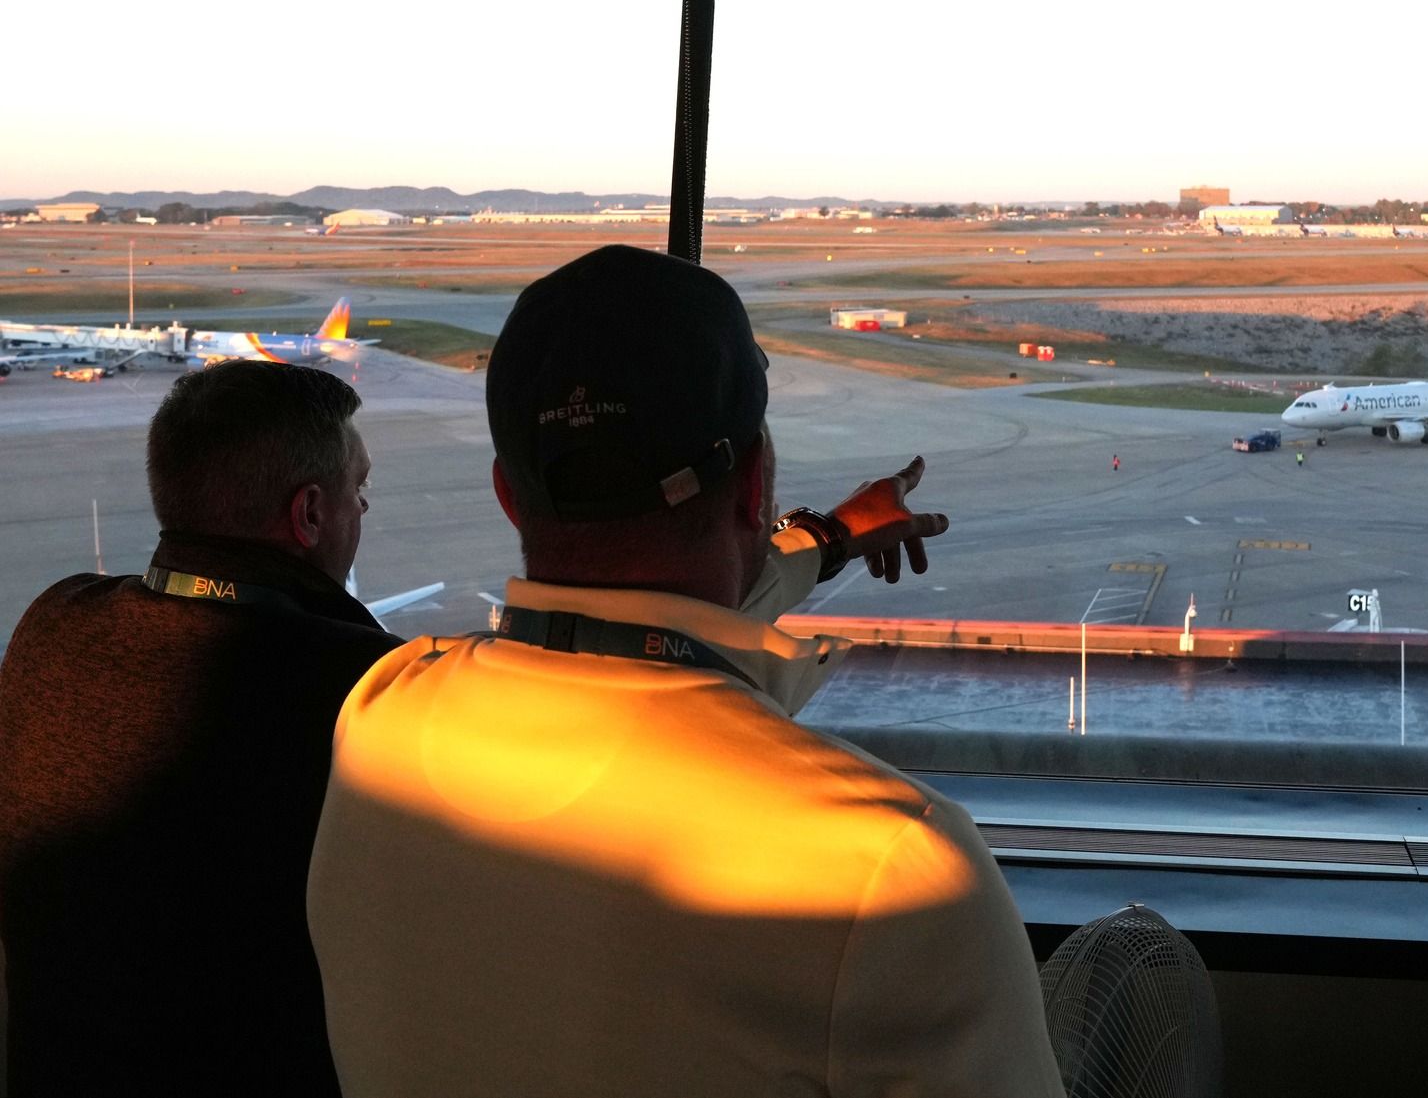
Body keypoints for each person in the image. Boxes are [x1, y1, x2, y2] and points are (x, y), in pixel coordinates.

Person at [307, 245, 1063, 1097]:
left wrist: (832, 539)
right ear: (755, 490)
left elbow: (629, 624)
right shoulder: (890, 868)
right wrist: (821, 531)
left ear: (508, 494)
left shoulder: (379, 716)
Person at [0, 360, 392, 1097]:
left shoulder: (50, 626)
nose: (364, 508)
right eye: (358, 489)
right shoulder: (364, 690)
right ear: (308, 514)